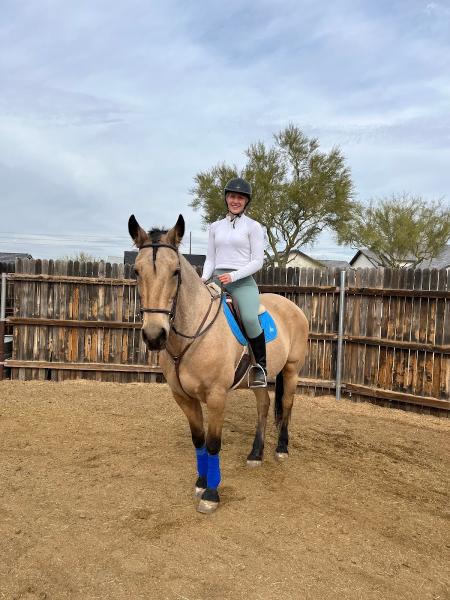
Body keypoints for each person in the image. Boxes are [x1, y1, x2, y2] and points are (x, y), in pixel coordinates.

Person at [201, 177, 267, 387]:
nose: (235, 200)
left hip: (243, 281)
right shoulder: (214, 227)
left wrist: (234, 276)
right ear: (226, 198)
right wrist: (204, 278)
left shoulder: (254, 227)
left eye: (240, 197)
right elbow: (210, 258)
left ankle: (260, 367)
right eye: (232, 196)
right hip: (217, 280)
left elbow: (258, 261)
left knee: (248, 318)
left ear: (246, 201)